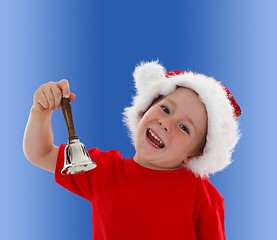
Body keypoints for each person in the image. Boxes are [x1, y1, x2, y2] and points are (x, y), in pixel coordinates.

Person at [23, 61, 241, 240]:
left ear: (196, 153)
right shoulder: (102, 170)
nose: (167, 124)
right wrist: (40, 111)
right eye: (165, 109)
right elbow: (40, 153)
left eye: (184, 127)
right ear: (144, 109)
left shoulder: (203, 196)